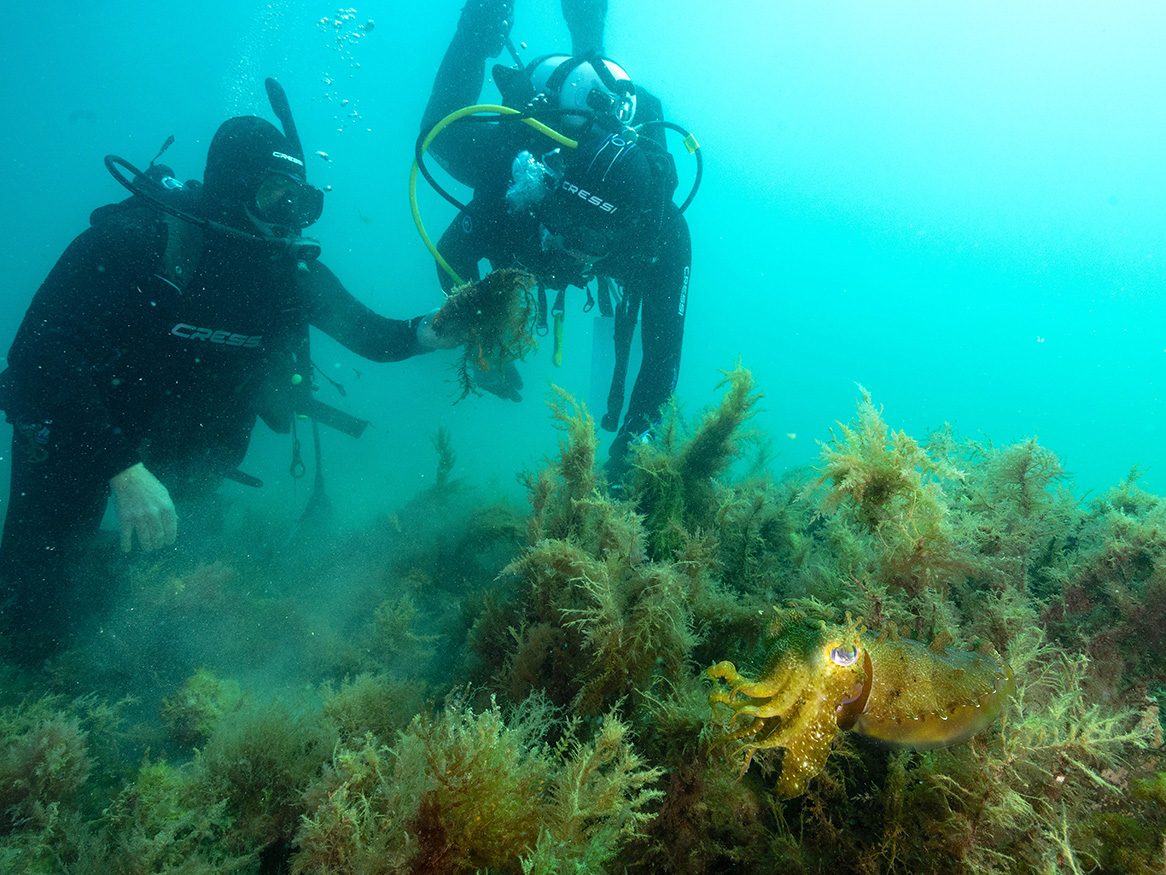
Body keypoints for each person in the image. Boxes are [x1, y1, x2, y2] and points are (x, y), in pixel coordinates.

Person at [0, 81, 458, 663]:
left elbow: (370, 333)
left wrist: (433, 330)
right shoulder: (137, 241)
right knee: (30, 621)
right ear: (232, 188)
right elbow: (40, 356)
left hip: (177, 453)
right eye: (275, 197)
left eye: (302, 202)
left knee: (158, 617)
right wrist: (123, 470)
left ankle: (106, 569)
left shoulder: (285, 271)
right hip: (75, 434)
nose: (291, 219)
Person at [420, 0, 693, 478]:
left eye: (591, 234)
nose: (571, 246)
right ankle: (478, 28)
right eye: (568, 224)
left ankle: (587, 35)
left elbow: (664, 348)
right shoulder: (519, 187)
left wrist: (637, 440)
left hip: (609, 182)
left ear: (624, 229)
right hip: (536, 154)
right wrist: (485, 346)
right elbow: (451, 258)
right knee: (438, 138)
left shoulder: (657, 232)